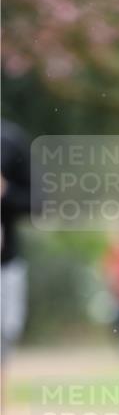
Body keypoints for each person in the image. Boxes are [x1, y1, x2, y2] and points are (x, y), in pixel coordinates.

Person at [1, 119, 32, 366]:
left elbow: (40, 202)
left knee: (2, 344)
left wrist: (6, 192)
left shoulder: (9, 140)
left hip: (4, 265)